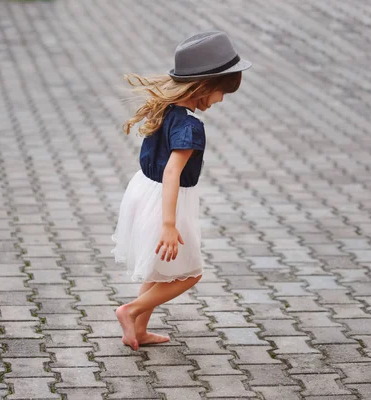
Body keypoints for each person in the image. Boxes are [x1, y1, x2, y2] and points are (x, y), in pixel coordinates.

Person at [111, 31, 251, 350]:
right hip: (168, 201)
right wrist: (169, 224)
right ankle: (129, 311)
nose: (220, 101)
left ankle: (139, 328)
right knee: (190, 274)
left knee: (160, 270)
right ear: (204, 87)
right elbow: (173, 170)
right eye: (221, 93)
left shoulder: (167, 108)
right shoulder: (191, 126)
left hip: (145, 191)